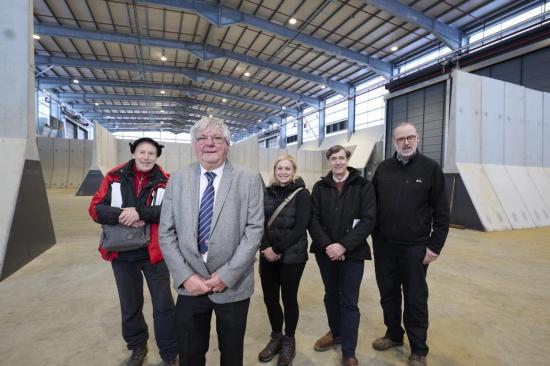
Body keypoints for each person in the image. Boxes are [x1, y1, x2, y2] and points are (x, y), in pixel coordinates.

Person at [158, 117, 264, 366]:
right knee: (190, 353)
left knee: (231, 353)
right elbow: (166, 232)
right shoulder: (178, 179)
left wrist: (227, 275)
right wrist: (185, 276)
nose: (209, 143)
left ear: (227, 144)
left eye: (217, 138)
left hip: (232, 284)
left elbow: (254, 229)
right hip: (190, 284)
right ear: (194, 145)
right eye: (202, 138)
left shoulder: (248, 178)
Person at [89, 137, 178, 366]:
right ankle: (138, 347)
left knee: (164, 306)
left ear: (156, 156)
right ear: (133, 153)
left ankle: (170, 353)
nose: (146, 157)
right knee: (130, 304)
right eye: (142, 152)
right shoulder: (114, 176)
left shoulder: (166, 180)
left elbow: (172, 210)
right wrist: (122, 215)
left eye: (151, 153)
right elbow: (95, 208)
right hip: (122, 254)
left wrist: (140, 213)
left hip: (154, 253)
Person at [371, 122, 450, 366]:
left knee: (415, 298)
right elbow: (371, 206)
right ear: (393, 142)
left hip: (415, 247)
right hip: (384, 246)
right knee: (388, 295)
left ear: (418, 139)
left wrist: (435, 246)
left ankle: (419, 350)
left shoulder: (430, 169)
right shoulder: (383, 169)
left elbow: (442, 213)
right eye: (401, 139)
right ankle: (394, 334)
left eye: (410, 137)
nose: (406, 142)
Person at [309, 145, 377, 366]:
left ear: (347, 160)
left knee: (349, 302)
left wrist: (343, 246)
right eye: (333, 159)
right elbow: (313, 219)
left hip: (353, 253)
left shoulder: (363, 186)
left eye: (341, 158)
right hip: (325, 253)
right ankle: (335, 332)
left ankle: (348, 350)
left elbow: (368, 220)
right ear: (328, 162)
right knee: (330, 295)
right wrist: (329, 245)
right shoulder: (320, 187)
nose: (337, 162)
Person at [258, 154, 311, 366]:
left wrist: (277, 248)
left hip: (292, 256)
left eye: (287, 169)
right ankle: (276, 336)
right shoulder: (267, 193)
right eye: (279, 168)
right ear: (274, 170)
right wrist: (265, 247)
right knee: (270, 299)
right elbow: (258, 222)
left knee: (289, 299)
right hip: (267, 255)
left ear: (294, 171)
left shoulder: (302, 194)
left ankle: (289, 339)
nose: (283, 172)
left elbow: (301, 227)